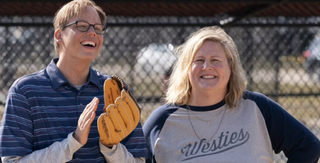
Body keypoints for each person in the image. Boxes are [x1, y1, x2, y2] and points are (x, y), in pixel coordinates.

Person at [143, 26, 320, 163]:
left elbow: (308, 147)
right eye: (198, 60)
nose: (207, 67)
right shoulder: (162, 120)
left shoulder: (257, 107)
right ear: (186, 70)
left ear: (230, 68)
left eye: (215, 60)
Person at [0, 0, 146, 162]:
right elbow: (12, 161)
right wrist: (73, 142)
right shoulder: (25, 90)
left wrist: (111, 147)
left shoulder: (118, 91)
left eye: (98, 28)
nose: (93, 33)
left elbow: (139, 160)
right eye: (82, 26)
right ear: (59, 35)